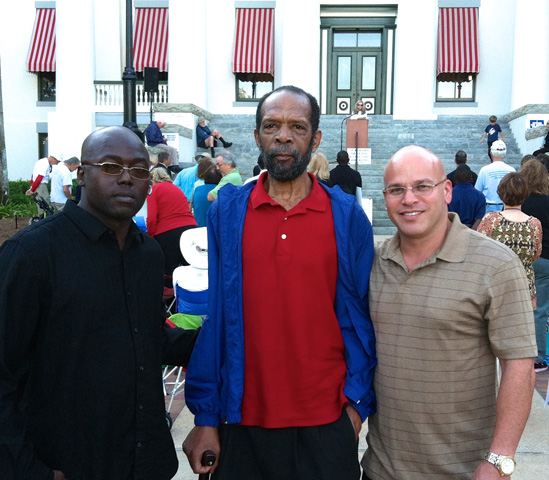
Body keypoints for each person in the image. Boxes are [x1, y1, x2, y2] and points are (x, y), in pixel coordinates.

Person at [183, 85, 377, 480]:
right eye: (271, 125)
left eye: (297, 126)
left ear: (316, 138)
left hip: (326, 420)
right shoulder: (227, 213)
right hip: (242, 419)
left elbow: (362, 319)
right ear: (257, 137)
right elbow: (217, 315)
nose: (283, 135)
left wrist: (356, 408)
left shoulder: (347, 216)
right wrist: (205, 414)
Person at [0, 126, 199, 479]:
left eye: (139, 170)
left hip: (143, 461)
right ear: (81, 174)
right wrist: (27, 469)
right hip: (68, 463)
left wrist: (222, 335)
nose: (126, 179)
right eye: (110, 166)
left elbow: (146, 338)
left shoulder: (147, 253)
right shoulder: (32, 254)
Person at [361, 145, 536, 480]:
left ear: (446, 191)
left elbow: (519, 365)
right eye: (397, 189)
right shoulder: (374, 262)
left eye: (422, 186)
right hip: (381, 469)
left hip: (464, 471)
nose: (409, 199)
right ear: (385, 198)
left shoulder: (495, 264)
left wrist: (499, 460)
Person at [477, 172, 542, 309]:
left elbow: (478, 251)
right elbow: (535, 255)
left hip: (494, 286)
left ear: (500, 193)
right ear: (525, 194)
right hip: (524, 286)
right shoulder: (534, 224)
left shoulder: (491, 220)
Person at [521, 158, 549, 372]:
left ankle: (531, 354)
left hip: (529, 259)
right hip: (547, 258)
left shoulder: (522, 202)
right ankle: (540, 353)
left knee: (529, 308)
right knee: (541, 309)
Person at [147, 168, 198, 285]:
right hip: (191, 229)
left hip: (168, 231)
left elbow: (151, 218)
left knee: (168, 271)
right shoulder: (177, 189)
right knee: (190, 268)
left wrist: (150, 237)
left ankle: (169, 298)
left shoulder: (153, 190)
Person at [475, 140, 515, 212]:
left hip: (488, 206)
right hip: (506, 206)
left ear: (491, 153)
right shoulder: (511, 170)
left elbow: (477, 191)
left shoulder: (484, 170)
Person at [448, 164, 486, 229]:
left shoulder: (448, 194)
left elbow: (446, 216)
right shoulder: (480, 196)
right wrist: (471, 232)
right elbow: (480, 218)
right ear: (471, 178)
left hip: (453, 230)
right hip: (472, 231)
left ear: (454, 178)